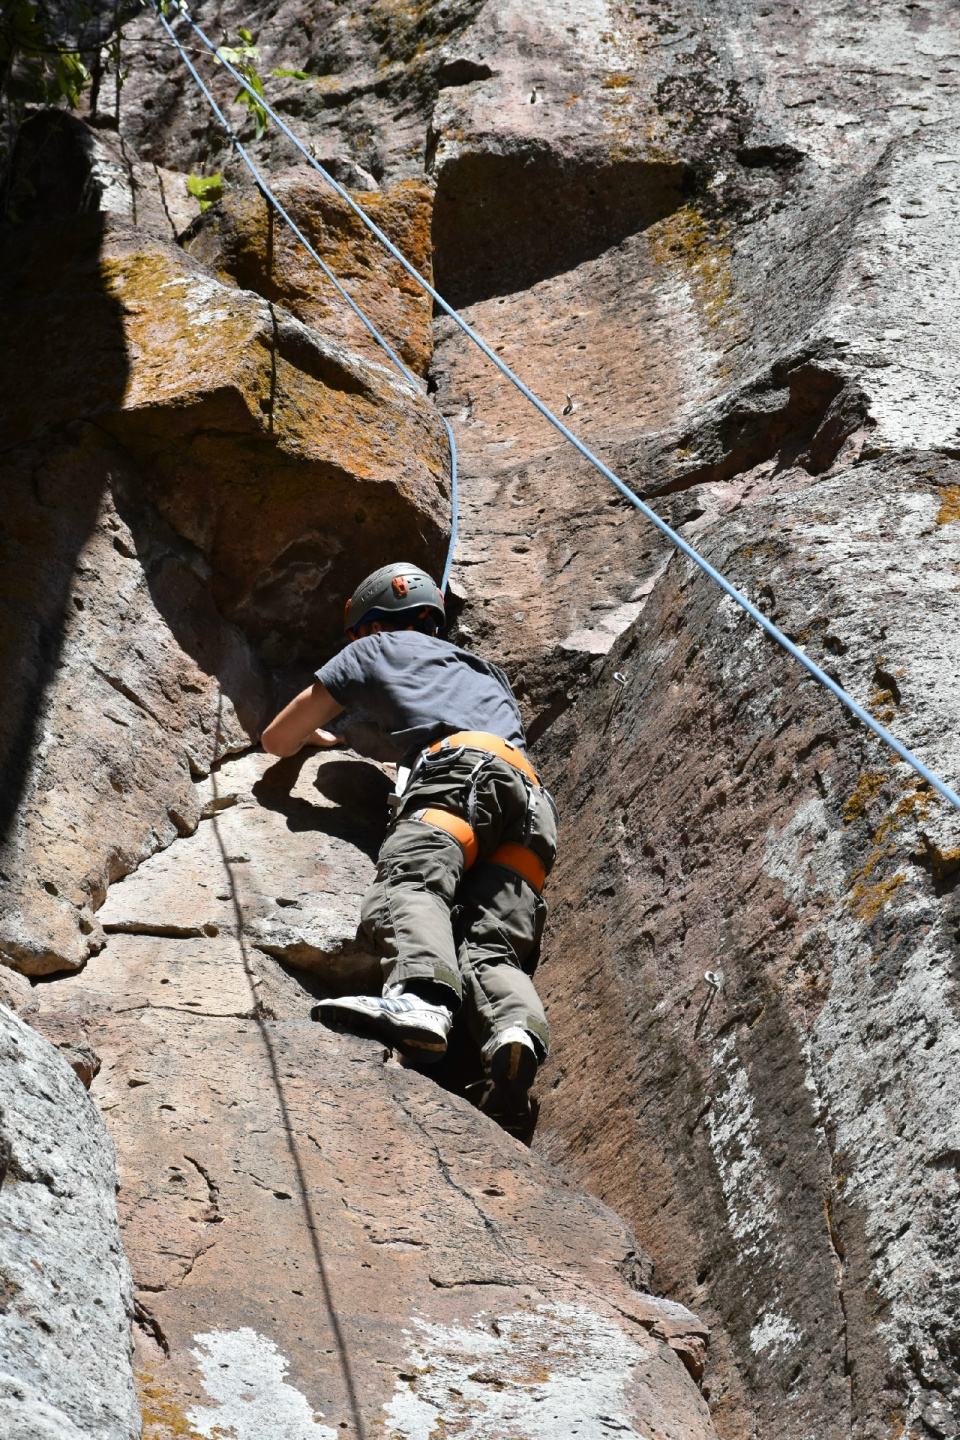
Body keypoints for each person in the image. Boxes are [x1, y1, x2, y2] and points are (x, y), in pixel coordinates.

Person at [261, 562, 557, 1135]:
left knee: (411, 883)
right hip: (532, 804)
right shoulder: (482, 670)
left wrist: (317, 738)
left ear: (370, 625)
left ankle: (421, 1000)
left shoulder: (371, 650)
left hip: (457, 778)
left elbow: (278, 738)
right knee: (490, 941)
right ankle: (513, 1031)